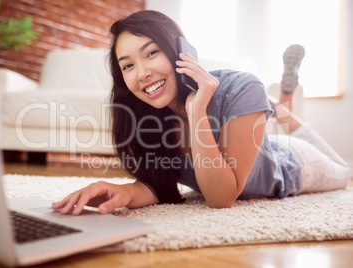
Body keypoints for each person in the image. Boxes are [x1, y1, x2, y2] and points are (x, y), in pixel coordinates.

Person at [52, 10, 352, 215]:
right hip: (257, 142)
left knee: (346, 172)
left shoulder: (239, 87)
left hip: (296, 164)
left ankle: (278, 102)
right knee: (258, 104)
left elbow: (221, 198)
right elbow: (160, 185)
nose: (141, 73)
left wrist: (197, 113)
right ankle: (274, 104)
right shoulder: (145, 116)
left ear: (180, 49)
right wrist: (127, 193)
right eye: (128, 65)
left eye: (152, 52)